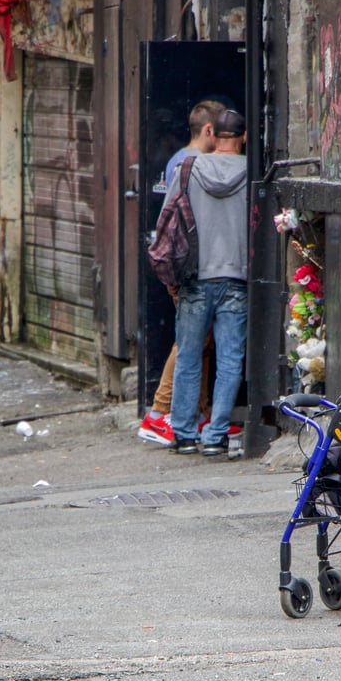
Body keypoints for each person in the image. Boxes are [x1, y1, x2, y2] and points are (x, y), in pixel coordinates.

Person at [138, 99, 228, 446]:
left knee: (199, 341)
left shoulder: (181, 161)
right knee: (190, 341)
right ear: (209, 131)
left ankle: (194, 413)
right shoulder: (190, 164)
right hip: (192, 268)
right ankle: (161, 412)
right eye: (219, 133)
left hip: (188, 266)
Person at [164, 109, 249, 456]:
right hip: (237, 277)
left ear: (213, 135)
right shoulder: (252, 172)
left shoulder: (188, 168)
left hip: (195, 276)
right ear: (244, 137)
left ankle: (184, 434)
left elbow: (166, 219)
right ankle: (215, 436)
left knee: (188, 356)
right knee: (230, 360)